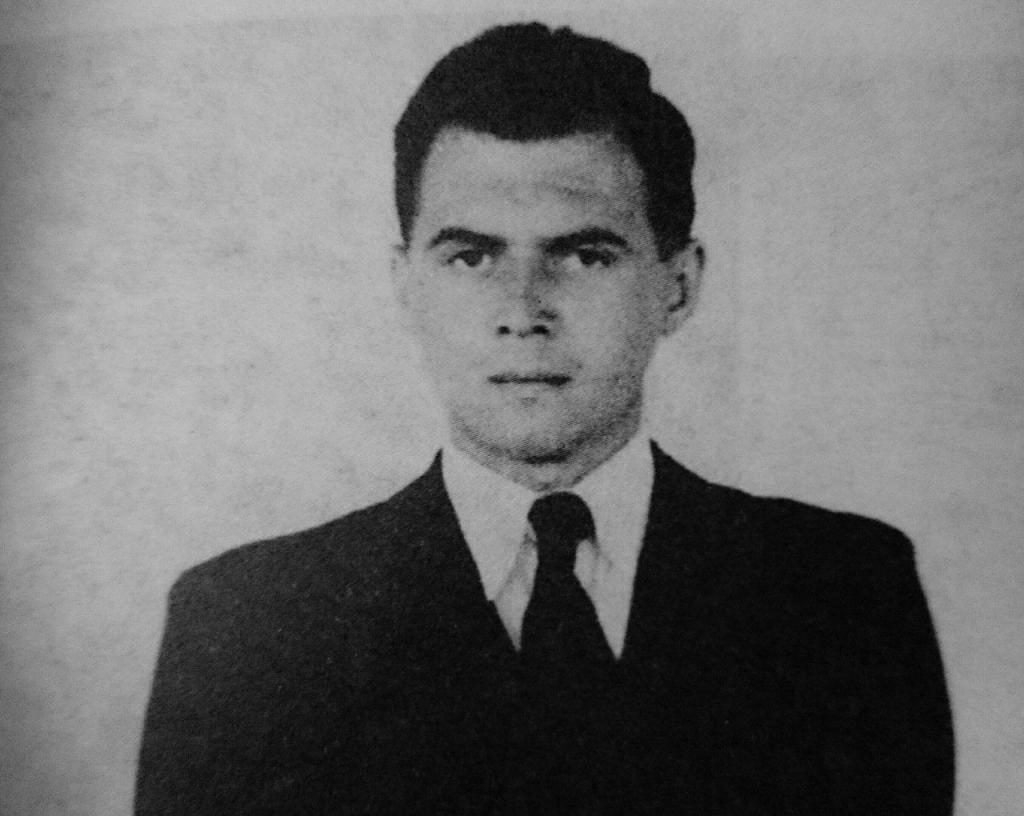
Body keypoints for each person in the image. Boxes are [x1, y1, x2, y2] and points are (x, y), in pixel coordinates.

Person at [135, 22, 955, 815]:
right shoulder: (250, 623)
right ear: (407, 286)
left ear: (677, 287)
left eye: (585, 256)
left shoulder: (843, 596)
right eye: (470, 257)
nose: (522, 312)